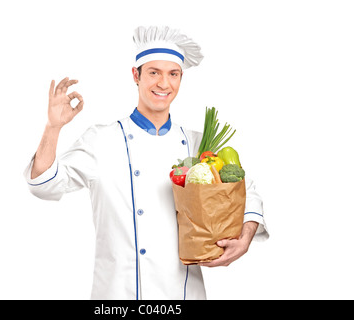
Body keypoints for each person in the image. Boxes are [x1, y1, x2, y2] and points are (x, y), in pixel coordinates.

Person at [24, 26, 269, 300]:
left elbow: (246, 193)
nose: (164, 83)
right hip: (117, 297)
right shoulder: (101, 140)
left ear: (180, 79)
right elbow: (43, 184)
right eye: (154, 72)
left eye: (172, 74)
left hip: (183, 295)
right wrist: (53, 127)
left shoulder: (200, 145)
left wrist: (245, 238)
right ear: (135, 75)